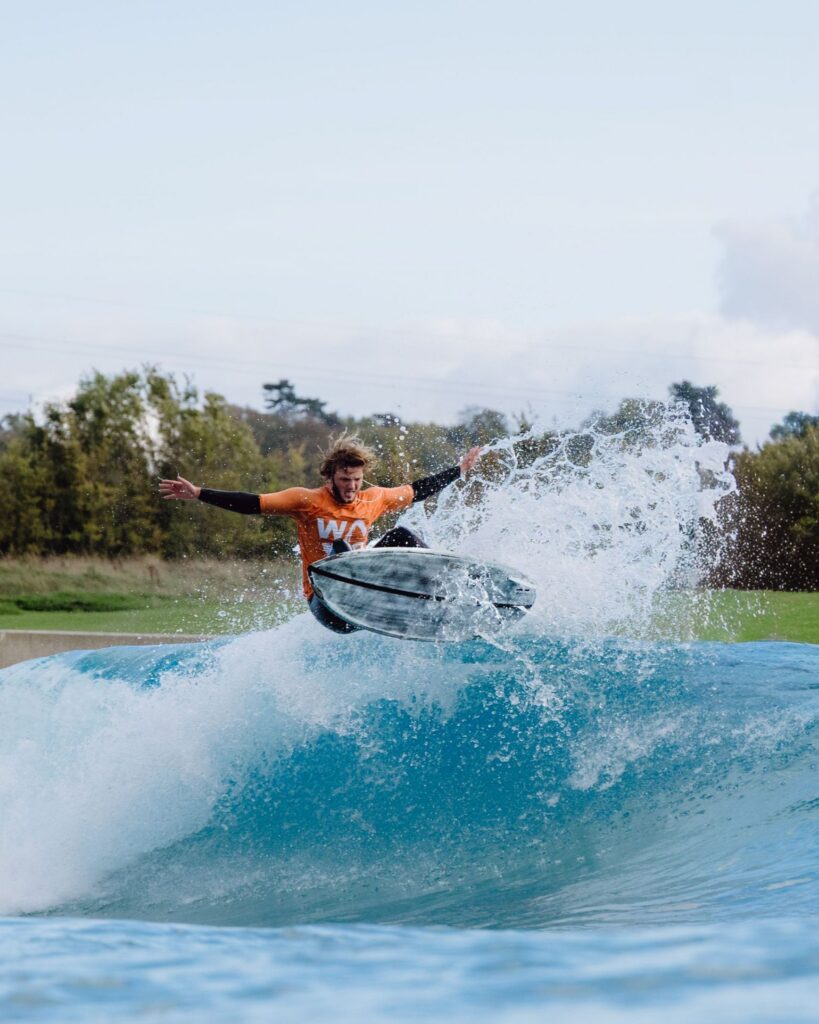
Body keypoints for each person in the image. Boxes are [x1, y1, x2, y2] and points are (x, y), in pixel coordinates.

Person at [159, 434, 482, 633]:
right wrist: (200, 492)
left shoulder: (374, 498)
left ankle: (455, 593)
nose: (352, 487)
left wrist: (459, 471)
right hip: (327, 604)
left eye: (356, 480)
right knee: (341, 552)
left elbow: (418, 489)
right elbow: (252, 504)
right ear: (330, 477)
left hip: (365, 594)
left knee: (404, 538)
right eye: (345, 480)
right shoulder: (306, 501)